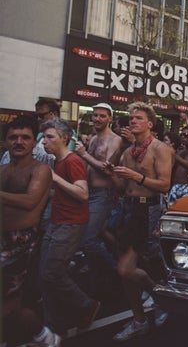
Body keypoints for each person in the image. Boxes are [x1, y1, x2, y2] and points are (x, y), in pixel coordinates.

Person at [105, 102, 172, 341]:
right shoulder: (127, 151)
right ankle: (139, 319)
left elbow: (164, 185)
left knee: (126, 268)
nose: (132, 121)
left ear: (150, 124)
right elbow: (124, 189)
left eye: (138, 118)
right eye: (131, 118)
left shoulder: (160, 148)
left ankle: (160, 297)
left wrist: (136, 175)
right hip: (127, 208)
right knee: (125, 271)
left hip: (148, 210)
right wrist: (113, 174)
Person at [0, 115, 59, 347]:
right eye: (13, 137)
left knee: (8, 307)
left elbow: (30, 201)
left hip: (21, 243)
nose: (19, 142)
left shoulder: (40, 169)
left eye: (25, 137)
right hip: (2, 239)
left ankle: (43, 335)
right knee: (10, 306)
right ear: (5, 141)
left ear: (34, 142)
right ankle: (39, 336)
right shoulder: (3, 169)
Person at [39, 117, 101, 333]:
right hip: (57, 221)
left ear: (64, 138)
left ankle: (87, 305)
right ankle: (55, 325)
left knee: (51, 273)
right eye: (43, 137)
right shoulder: (58, 160)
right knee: (45, 274)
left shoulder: (72, 160)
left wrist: (54, 179)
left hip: (71, 223)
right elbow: (64, 191)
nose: (44, 142)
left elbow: (82, 194)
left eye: (49, 137)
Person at [75, 103, 123, 287]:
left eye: (102, 116)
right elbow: (88, 167)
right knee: (90, 236)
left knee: (89, 240)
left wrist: (84, 155)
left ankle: (116, 270)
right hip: (90, 193)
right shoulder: (94, 139)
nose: (97, 119)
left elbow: (107, 170)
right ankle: (98, 272)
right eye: (95, 115)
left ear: (110, 118)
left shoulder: (114, 140)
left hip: (103, 194)